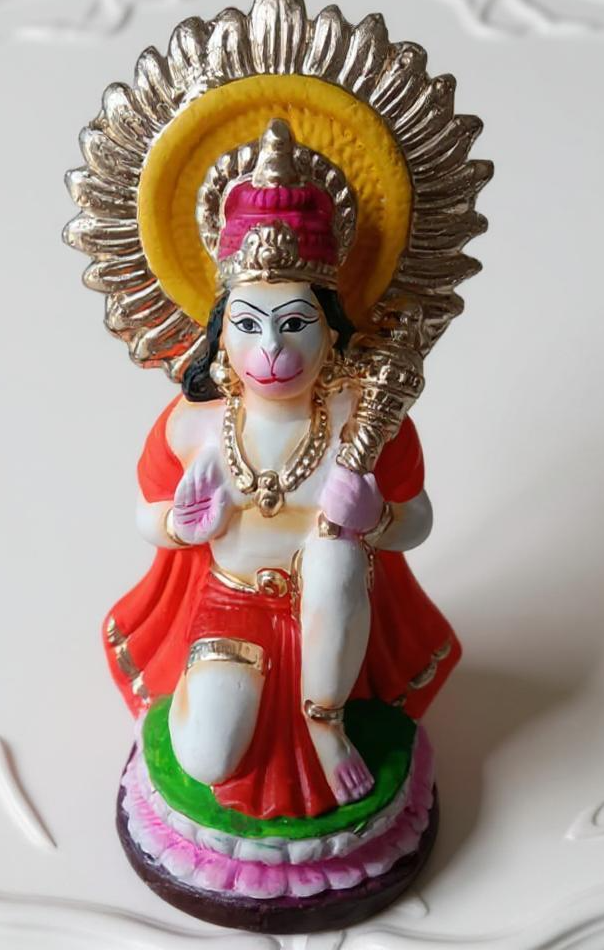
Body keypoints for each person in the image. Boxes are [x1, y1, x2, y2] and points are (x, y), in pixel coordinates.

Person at [102, 121, 460, 820]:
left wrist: (376, 517)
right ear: (220, 335)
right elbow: (146, 514)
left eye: (294, 323)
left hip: (335, 615)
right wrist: (179, 525)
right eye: (248, 324)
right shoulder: (193, 425)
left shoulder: (365, 421)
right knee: (209, 756)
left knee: (334, 553)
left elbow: (416, 520)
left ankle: (327, 721)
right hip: (232, 603)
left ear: (331, 331)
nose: (271, 349)